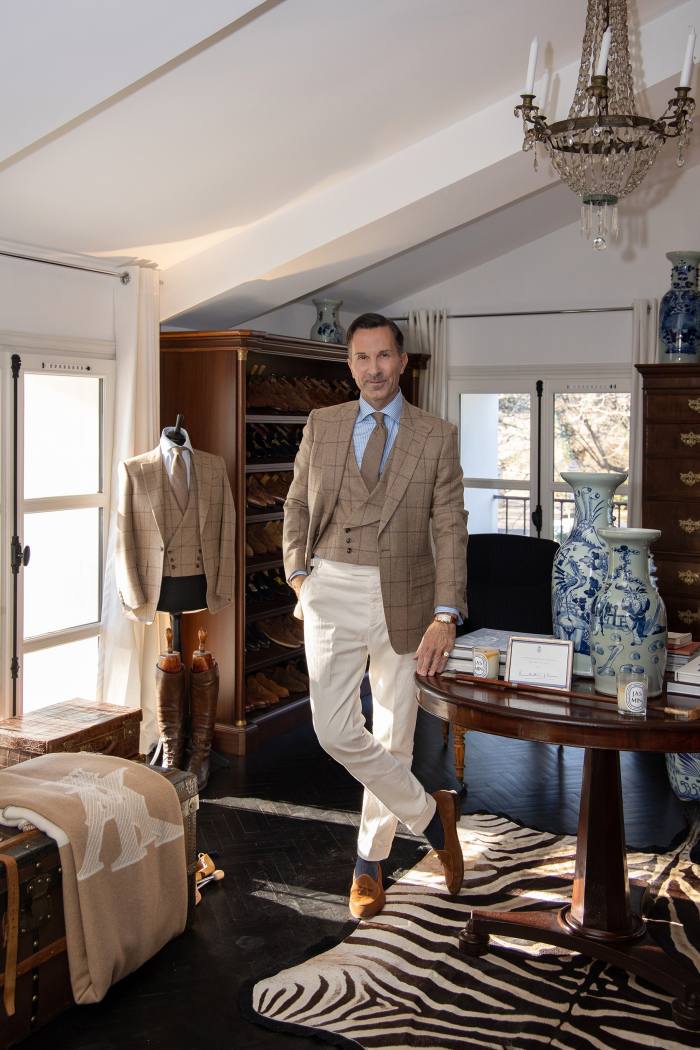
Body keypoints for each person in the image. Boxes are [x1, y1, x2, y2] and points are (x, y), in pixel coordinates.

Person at [283, 312, 468, 919]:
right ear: (349, 365)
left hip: (408, 594)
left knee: (395, 734)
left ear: (402, 361)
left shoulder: (436, 435)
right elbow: (296, 503)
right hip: (330, 586)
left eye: (383, 356)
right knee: (335, 730)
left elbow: (449, 527)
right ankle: (428, 816)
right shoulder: (323, 423)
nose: (373, 369)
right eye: (362, 359)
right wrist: (299, 577)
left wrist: (446, 614)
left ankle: (369, 862)